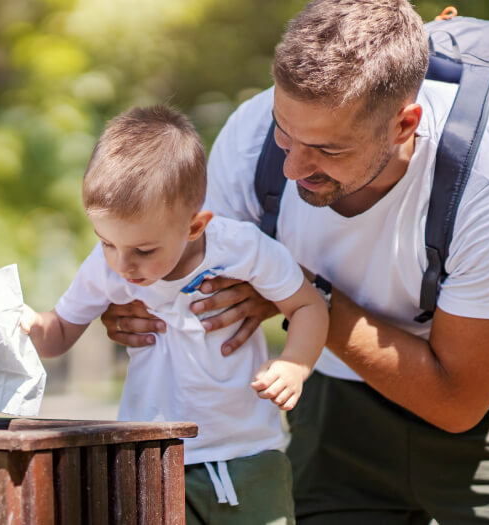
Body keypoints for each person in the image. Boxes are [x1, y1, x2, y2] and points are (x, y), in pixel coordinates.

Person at [99, 1, 489, 523]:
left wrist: (297, 292)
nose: (294, 167)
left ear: (403, 124)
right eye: (285, 132)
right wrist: (138, 299)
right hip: (338, 399)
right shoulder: (252, 138)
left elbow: (456, 401)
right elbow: (201, 278)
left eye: (327, 149)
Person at [22, 105, 329, 524]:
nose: (122, 264)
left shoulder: (241, 248)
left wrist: (295, 364)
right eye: (106, 242)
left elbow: (307, 305)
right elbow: (57, 333)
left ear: (195, 226)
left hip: (248, 456)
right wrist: (26, 326)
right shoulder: (106, 267)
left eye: (143, 251)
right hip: (150, 455)